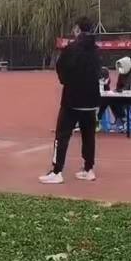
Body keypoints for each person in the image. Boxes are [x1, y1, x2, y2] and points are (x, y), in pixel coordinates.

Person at [40, 16, 101, 185]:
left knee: (62, 135)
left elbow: (61, 68)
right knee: (89, 136)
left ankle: (57, 171)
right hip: (91, 100)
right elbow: (99, 72)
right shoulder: (96, 50)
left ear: (77, 29)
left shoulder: (71, 48)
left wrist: (67, 82)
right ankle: (88, 169)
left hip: (72, 99)